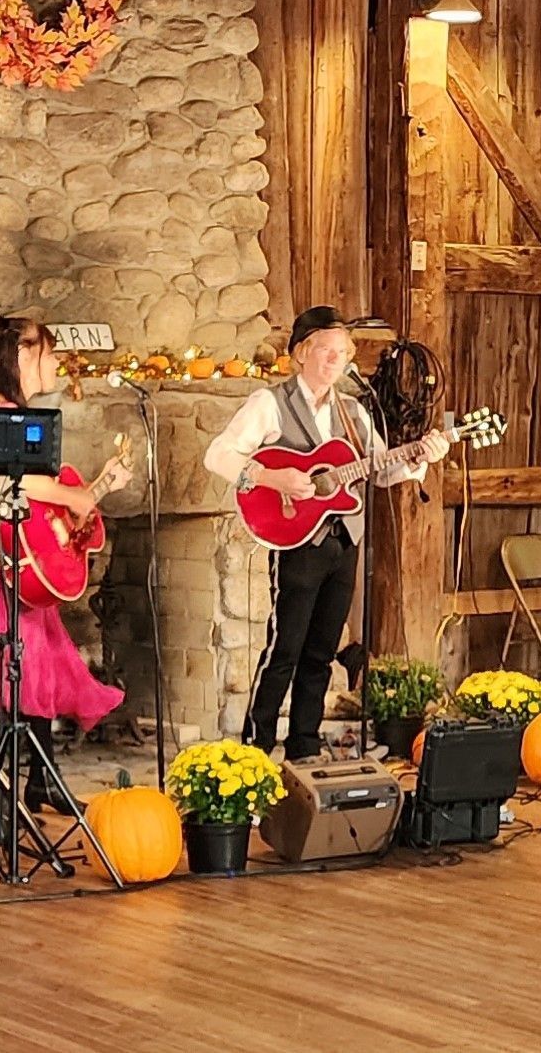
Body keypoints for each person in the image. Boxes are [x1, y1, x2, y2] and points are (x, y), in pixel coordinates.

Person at [204, 306, 450, 762]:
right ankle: (255, 747)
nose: (336, 360)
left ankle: (303, 746)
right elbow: (217, 456)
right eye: (326, 351)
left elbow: (379, 470)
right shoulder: (269, 403)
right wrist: (272, 479)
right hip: (296, 542)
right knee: (285, 649)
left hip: (343, 544)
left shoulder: (354, 410)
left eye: (342, 352)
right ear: (301, 353)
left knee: (320, 652)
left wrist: (421, 457)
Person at [0, 315, 131, 815]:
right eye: (49, 353)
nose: (56, 362)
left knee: (34, 667)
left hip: (23, 560)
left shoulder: (24, 412)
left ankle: (40, 778)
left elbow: (43, 501)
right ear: (22, 355)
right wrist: (76, 493)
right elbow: (15, 483)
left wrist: (93, 492)